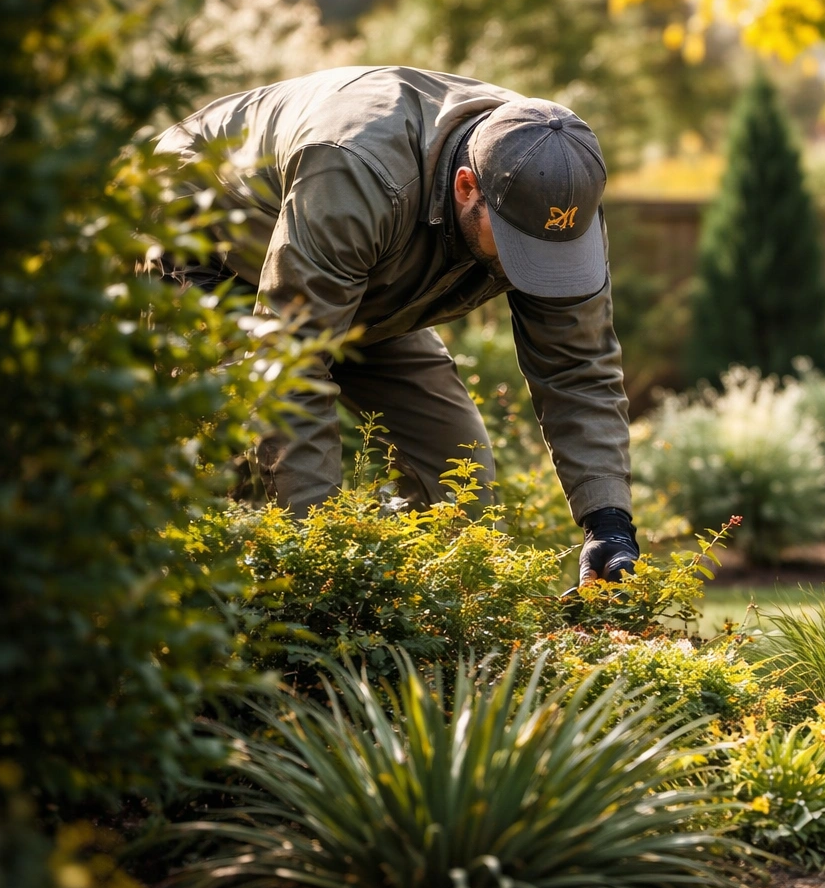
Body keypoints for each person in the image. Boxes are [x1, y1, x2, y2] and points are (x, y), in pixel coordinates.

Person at [155, 65, 639, 583]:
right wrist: (319, 560)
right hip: (202, 237)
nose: (530, 265)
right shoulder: (358, 170)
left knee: (459, 479)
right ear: (466, 186)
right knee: (238, 473)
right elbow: (288, 366)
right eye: (517, 245)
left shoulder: (557, 189)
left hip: (358, 272)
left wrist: (607, 523)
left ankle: (431, 647)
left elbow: (577, 365)